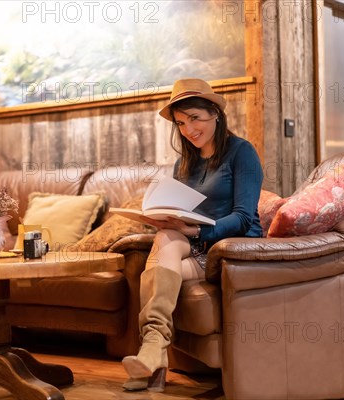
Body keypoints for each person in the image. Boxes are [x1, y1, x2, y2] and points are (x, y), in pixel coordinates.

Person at [122, 78, 263, 392]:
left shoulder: (242, 153)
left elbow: (243, 218)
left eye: (195, 118)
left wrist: (199, 230)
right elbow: (181, 212)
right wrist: (167, 221)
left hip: (231, 248)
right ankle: (154, 350)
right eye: (181, 123)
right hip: (193, 246)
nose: (188, 129)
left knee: (157, 265)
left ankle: (153, 354)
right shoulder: (182, 163)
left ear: (214, 112)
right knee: (164, 241)